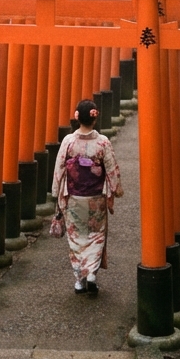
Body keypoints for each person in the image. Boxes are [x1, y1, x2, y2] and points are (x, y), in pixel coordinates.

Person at [51, 98, 123, 295]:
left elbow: (59, 168)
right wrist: (116, 189)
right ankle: (92, 274)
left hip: (74, 198)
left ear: (77, 118)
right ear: (94, 119)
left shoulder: (68, 141)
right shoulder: (102, 142)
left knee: (76, 238)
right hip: (96, 198)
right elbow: (111, 170)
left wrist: (56, 192)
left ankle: (79, 281)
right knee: (96, 236)